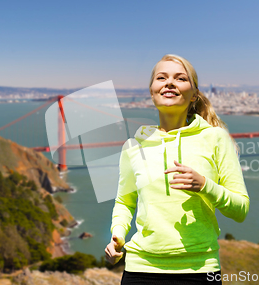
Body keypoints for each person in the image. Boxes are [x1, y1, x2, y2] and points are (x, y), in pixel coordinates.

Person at [105, 54, 250, 284]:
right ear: (152, 91)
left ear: (194, 94)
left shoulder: (216, 138)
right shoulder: (133, 146)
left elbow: (240, 209)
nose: (169, 82)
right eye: (161, 77)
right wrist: (117, 235)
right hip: (140, 270)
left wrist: (205, 186)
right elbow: (125, 202)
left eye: (180, 78)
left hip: (201, 271)